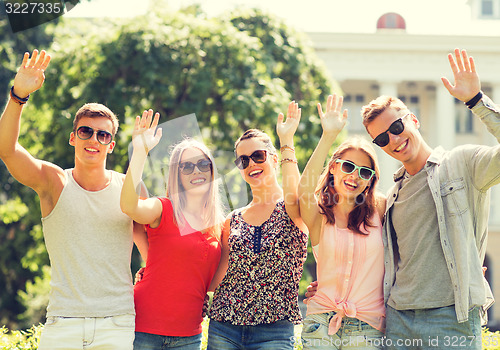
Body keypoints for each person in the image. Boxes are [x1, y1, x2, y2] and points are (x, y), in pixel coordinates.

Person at [360, 48, 499, 349]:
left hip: (452, 317)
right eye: (382, 139)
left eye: (397, 127)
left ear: (413, 119)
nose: (394, 140)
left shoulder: (461, 163)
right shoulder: (392, 194)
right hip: (398, 319)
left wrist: (476, 101)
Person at [0, 50, 139, 349]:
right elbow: (7, 151)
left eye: (103, 135)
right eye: (86, 131)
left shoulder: (128, 188)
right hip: (63, 324)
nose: (93, 139)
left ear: (111, 145)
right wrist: (18, 96)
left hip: (117, 324)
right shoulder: (54, 182)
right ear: (73, 137)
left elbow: (154, 252)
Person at [206, 102, 308, 349]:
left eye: (258, 156)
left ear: (273, 159)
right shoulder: (233, 219)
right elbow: (214, 276)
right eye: (243, 160)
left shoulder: (294, 209)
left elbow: (294, 196)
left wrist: (286, 140)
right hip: (224, 326)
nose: (251, 164)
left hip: (274, 330)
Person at [120, 110, 225, 349]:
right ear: (176, 175)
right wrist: (140, 152)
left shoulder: (220, 225)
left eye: (202, 164)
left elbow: (211, 282)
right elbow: (129, 205)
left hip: (189, 335)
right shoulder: (163, 208)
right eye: (186, 167)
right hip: (144, 330)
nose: (196, 171)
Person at [298, 94, 386, 349]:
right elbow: (304, 191)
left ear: (371, 180)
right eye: (348, 166)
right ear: (334, 167)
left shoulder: (380, 209)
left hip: (367, 327)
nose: (355, 176)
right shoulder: (318, 216)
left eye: (365, 172)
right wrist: (328, 136)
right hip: (320, 323)